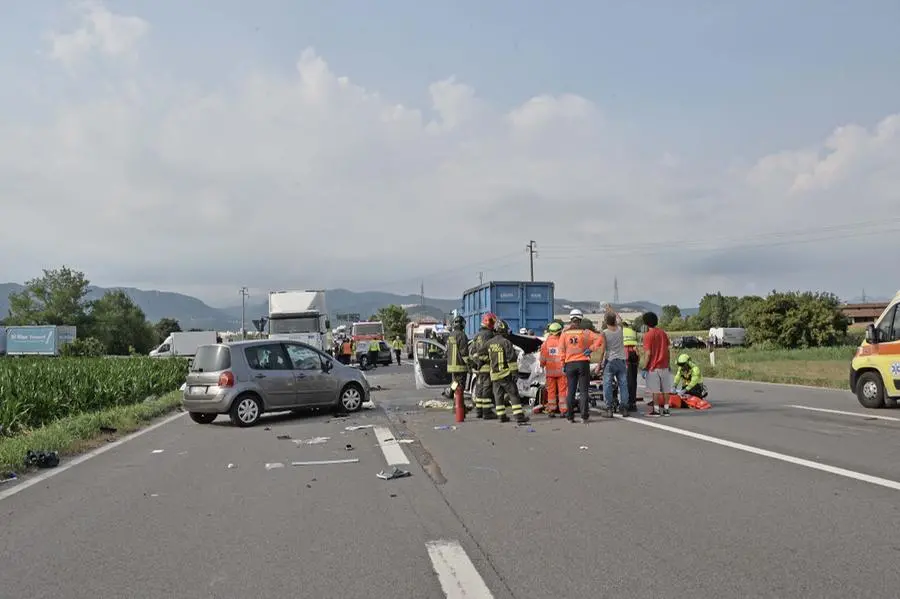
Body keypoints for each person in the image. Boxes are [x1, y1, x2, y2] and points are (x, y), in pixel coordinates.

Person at [559, 308, 604, 423]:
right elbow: (600, 338)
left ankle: (570, 417)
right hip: (583, 363)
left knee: (571, 391)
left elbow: (561, 350)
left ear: (570, 319)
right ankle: (584, 416)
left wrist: (562, 363)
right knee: (583, 391)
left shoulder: (564, 334)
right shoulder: (585, 332)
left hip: (569, 364)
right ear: (580, 319)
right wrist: (591, 349)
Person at [488, 320, 529, 423]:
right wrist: (515, 373)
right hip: (505, 374)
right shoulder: (506, 342)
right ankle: (519, 417)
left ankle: (501, 416)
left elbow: (481, 355)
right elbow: (511, 359)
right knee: (513, 394)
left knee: (498, 396)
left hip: (494, 375)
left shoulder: (489, 343)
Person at [598, 312, 630, 418]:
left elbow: (603, 350)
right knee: (623, 385)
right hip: (621, 360)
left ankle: (609, 409)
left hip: (610, 360)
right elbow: (621, 319)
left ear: (606, 322)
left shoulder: (604, 333)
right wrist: (612, 310)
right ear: (615, 320)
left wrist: (599, 364)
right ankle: (624, 408)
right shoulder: (620, 329)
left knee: (607, 384)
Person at [639, 311, 671, 416]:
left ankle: (656, 410)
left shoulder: (647, 336)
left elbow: (648, 354)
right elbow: (667, 350)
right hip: (665, 365)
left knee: (655, 390)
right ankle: (666, 409)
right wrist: (668, 363)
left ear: (646, 322)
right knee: (666, 389)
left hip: (653, 367)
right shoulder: (663, 333)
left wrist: (644, 367)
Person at [469, 313, 498, 419]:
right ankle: (487, 412)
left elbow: (472, 351)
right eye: (493, 322)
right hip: (486, 366)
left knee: (479, 388)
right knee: (487, 388)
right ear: (489, 322)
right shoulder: (489, 335)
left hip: (478, 367)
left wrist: (477, 362)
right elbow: (491, 350)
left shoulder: (477, 335)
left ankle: (479, 411)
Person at [539, 321, 568, 417]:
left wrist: (542, 365)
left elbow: (542, 357)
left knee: (551, 391)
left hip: (550, 372)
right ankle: (563, 410)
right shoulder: (563, 341)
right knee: (562, 392)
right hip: (562, 371)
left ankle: (551, 410)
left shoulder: (546, 344)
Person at [446, 316, 470, 395]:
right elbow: (464, 353)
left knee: (455, 382)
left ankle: (450, 393)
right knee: (460, 385)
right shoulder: (462, 335)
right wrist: (470, 363)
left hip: (451, 366)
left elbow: (447, 350)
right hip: (460, 366)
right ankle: (458, 404)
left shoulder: (450, 335)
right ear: (461, 324)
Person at [622, 320, 639, 412]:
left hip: (625, 356)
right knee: (633, 381)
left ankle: (626, 403)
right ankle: (633, 403)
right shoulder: (633, 332)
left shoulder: (621, 332)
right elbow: (636, 348)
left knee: (625, 382)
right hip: (634, 356)